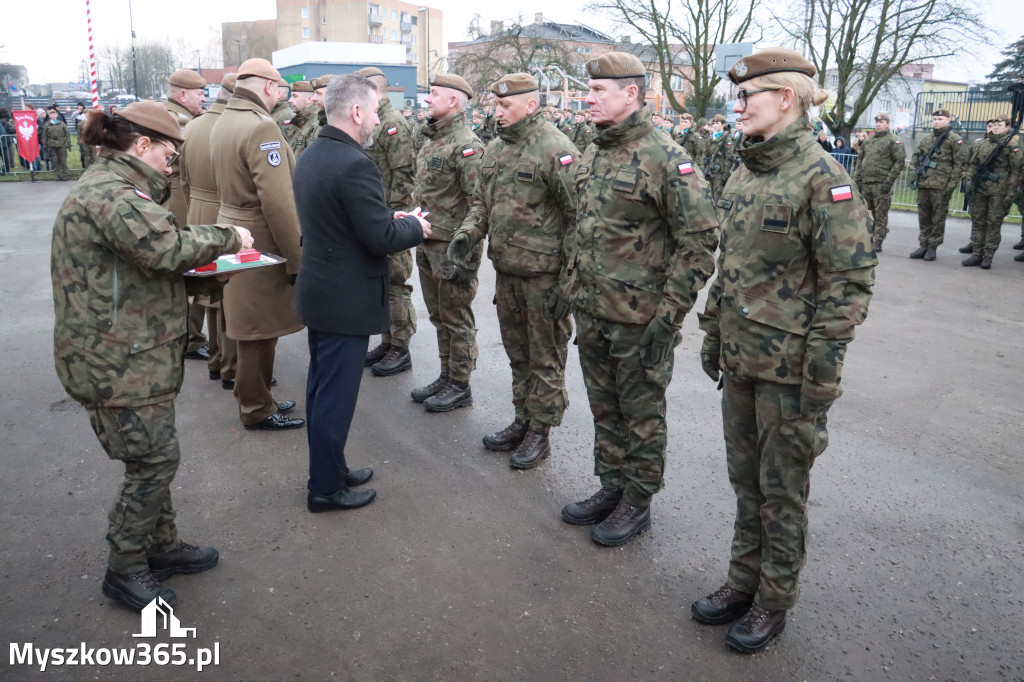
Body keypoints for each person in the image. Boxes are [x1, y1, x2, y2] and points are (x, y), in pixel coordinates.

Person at [693, 48, 876, 653]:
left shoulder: (826, 180)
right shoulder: (749, 171)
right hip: (743, 360)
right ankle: (742, 581)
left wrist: (821, 377)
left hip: (790, 373)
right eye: (738, 97)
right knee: (746, 481)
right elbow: (733, 268)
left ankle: (774, 598)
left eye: (747, 97)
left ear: (786, 99)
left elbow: (847, 287)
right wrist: (713, 332)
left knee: (782, 489)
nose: (737, 106)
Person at [51, 101, 253, 611]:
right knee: (154, 462)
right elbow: (163, 249)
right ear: (141, 145)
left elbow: (139, 266)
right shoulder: (114, 196)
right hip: (114, 361)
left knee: (152, 454)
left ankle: (159, 546)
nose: (172, 164)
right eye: (169, 152)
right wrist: (232, 238)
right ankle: (125, 567)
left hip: (128, 352)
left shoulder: (115, 189)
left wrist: (203, 270)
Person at [559, 52, 719, 547]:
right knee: (604, 407)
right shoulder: (596, 151)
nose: (588, 98)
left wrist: (667, 319)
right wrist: (569, 290)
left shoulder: (668, 158)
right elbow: (584, 228)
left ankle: (638, 500)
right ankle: (611, 485)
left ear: (631, 93)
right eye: (589, 90)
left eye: (598, 90)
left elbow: (699, 243)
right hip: (593, 309)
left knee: (641, 413)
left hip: (639, 318)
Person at [293, 74, 430, 513]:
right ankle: (325, 489)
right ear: (355, 112)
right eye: (373, 110)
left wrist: (386, 216)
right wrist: (414, 225)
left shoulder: (316, 152)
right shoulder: (354, 163)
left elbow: (343, 217)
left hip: (321, 291)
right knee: (334, 397)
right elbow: (379, 237)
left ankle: (330, 469)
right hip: (344, 299)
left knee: (320, 390)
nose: (376, 118)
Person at [447, 72, 578, 469]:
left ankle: (541, 431)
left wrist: (569, 281)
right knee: (518, 353)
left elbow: (578, 218)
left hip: (544, 277)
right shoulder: (497, 149)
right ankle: (523, 418)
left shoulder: (556, 148)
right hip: (508, 271)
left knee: (546, 357)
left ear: (531, 105)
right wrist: (468, 234)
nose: (496, 111)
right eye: (495, 104)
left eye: (505, 105)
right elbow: (481, 204)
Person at [210, 58, 305, 430]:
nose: (280, 95)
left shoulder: (223, 120)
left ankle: (257, 396)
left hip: (233, 231)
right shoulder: (260, 127)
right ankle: (256, 408)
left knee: (248, 325)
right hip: (258, 242)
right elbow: (278, 202)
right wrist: (296, 258)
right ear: (268, 86)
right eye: (279, 88)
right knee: (257, 332)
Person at [410, 74, 485, 412]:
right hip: (427, 240)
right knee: (439, 316)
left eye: (434, 94)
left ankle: (461, 383)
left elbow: (478, 205)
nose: (427, 99)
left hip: (451, 247)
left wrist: (465, 251)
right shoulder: (432, 140)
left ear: (454, 101)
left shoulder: (467, 146)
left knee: (457, 318)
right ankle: (446, 374)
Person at [353, 67, 419, 377]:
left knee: (396, 285)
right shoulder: (372, 120)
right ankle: (387, 340)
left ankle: (401, 347)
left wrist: (394, 219)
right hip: (377, 216)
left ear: (375, 91)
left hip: (392, 216)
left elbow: (404, 177)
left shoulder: (393, 125)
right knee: (382, 283)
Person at [180, 73, 239, 389]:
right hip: (226, 216)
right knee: (232, 295)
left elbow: (183, 181)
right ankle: (229, 366)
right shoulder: (231, 128)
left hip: (199, 213)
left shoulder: (193, 125)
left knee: (211, 295)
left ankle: (217, 361)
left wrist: (195, 210)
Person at [165, 69, 211, 361]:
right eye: (199, 94)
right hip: (179, 206)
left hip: (174, 204)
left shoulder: (170, 115)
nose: (203, 99)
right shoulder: (179, 121)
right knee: (192, 274)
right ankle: (191, 339)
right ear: (183, 95)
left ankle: (188, 337)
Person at [961, 115, 1022, 269]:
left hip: (999, 190)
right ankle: (976, 253)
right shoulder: (981, 144)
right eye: (994, 124)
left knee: (993, 224)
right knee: (978, 221)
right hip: (980, 188)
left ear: (1007, 127)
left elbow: (1016, 172)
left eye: (999, 125)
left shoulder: (1011, 145)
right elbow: (971, 164)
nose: (995, 127)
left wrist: (1010, 193)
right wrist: (968, 181)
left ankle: (988, 256)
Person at [908, 108, 967, 261]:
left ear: (949, 120)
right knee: (924, 216)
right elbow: (916, 156)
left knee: (938, 218)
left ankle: (932, 247)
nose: (937, 122)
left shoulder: (955, 139)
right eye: (935, 119)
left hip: (941, 185)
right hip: (924, 183)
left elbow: (959, 164)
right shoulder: (926, 138)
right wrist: (913, 172)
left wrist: (951, 185)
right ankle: (923, 244)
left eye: (940, 119)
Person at [852, 112, 906, 252]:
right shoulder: (869, 141)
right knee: (866, 213)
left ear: (887, 124)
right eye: (876, 122)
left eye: (881, 122)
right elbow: (860, 160)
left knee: (880, 214)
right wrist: (856, 179)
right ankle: (867, 238)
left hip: (881, 184)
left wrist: (889, 181)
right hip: (866, 183)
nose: (878, 124)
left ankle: (878, 240)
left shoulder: (893, 140)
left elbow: (899, 162)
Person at [292, 75, 333, 158]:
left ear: (332, 96)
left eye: (318, 94)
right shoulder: (318, 123)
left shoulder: (339, 124)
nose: (313, 98)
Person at [703, 114, 735, 202]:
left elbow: (729, 159)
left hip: (719, 174)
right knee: (708, 197)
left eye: (717, 123)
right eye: (714, 124)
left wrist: (725, 175)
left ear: (723, 124)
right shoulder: (710, 138)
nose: (715, 125)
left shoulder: (727, 139)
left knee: (717, 197)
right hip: (709, 172)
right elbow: (704, 154)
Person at [42, 106, 71, 180]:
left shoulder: (62, 124)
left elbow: (67, 133)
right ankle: (58, 175)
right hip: (52, 145)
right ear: (49, 116)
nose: (53, 116)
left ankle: (65, 175)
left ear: (57, 115)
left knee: (63, 161)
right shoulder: (47, 125)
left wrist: (69, 143)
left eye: (54, 114)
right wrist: (44, 144)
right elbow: (44, 135)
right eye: (51, 114)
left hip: (61, 144)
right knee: (55, 161)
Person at [285, 80, 315, 146]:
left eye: (295, 96)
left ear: (309, 99)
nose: (290, 100)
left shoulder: (316, 124)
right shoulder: (300, 122)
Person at [74, 102, 96, 169]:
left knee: (94, 157)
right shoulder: (81, 123)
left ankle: (94, 171)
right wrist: (79, 141)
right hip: (85, 142)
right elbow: (79, 133)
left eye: (88, 113)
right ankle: (88, 170)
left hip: (93, 142)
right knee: (87, 157)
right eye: (85, 113)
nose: (87, 114)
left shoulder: (94, 122)